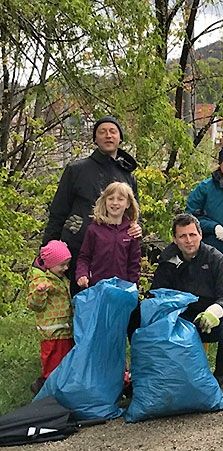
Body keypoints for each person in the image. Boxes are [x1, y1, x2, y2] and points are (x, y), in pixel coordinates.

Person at [42, 116, 141, 296]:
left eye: (113, 131)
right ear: (95, 138)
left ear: (120, 138)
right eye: (102, 132)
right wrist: (48, 249)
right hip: (77, 249)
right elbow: (58, 212)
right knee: (79, 305)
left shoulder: (128, 176)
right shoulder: (76, 170)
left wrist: (136, 228)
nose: (108, 136)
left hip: (115, 257)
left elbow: (133, 214)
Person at [150, 213, 223, 385]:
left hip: (208, 319)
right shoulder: (167, 261)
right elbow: (157, 295)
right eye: (183, 236)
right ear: (175, 239)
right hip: (179, 321)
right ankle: (169, 380)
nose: (189, 240)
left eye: (192, 235)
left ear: (201, 235)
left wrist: (215, 311)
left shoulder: (216, 259)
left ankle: (219, 379)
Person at [26, 240, 73, 395]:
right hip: (52, 334)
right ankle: (46, 391)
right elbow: (34, 305)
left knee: (64, 365)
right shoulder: (41, 281)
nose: (65, 268)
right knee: (53, 366)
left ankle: (58, 391)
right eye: (62, 265)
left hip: (65, 330)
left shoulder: (60, 278)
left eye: (67, 264)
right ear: (50, 264)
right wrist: (39, 293)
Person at [75, 181, 141, 288]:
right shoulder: (94, 229)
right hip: (97, 287)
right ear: (105, 201)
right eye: (110, 199)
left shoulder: (131, 232)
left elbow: (134, 265)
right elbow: (84, 257)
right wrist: (82, 274)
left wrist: (133, 288)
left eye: (120, 199)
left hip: (121, 290)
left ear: (128, 204)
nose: (115, 203)